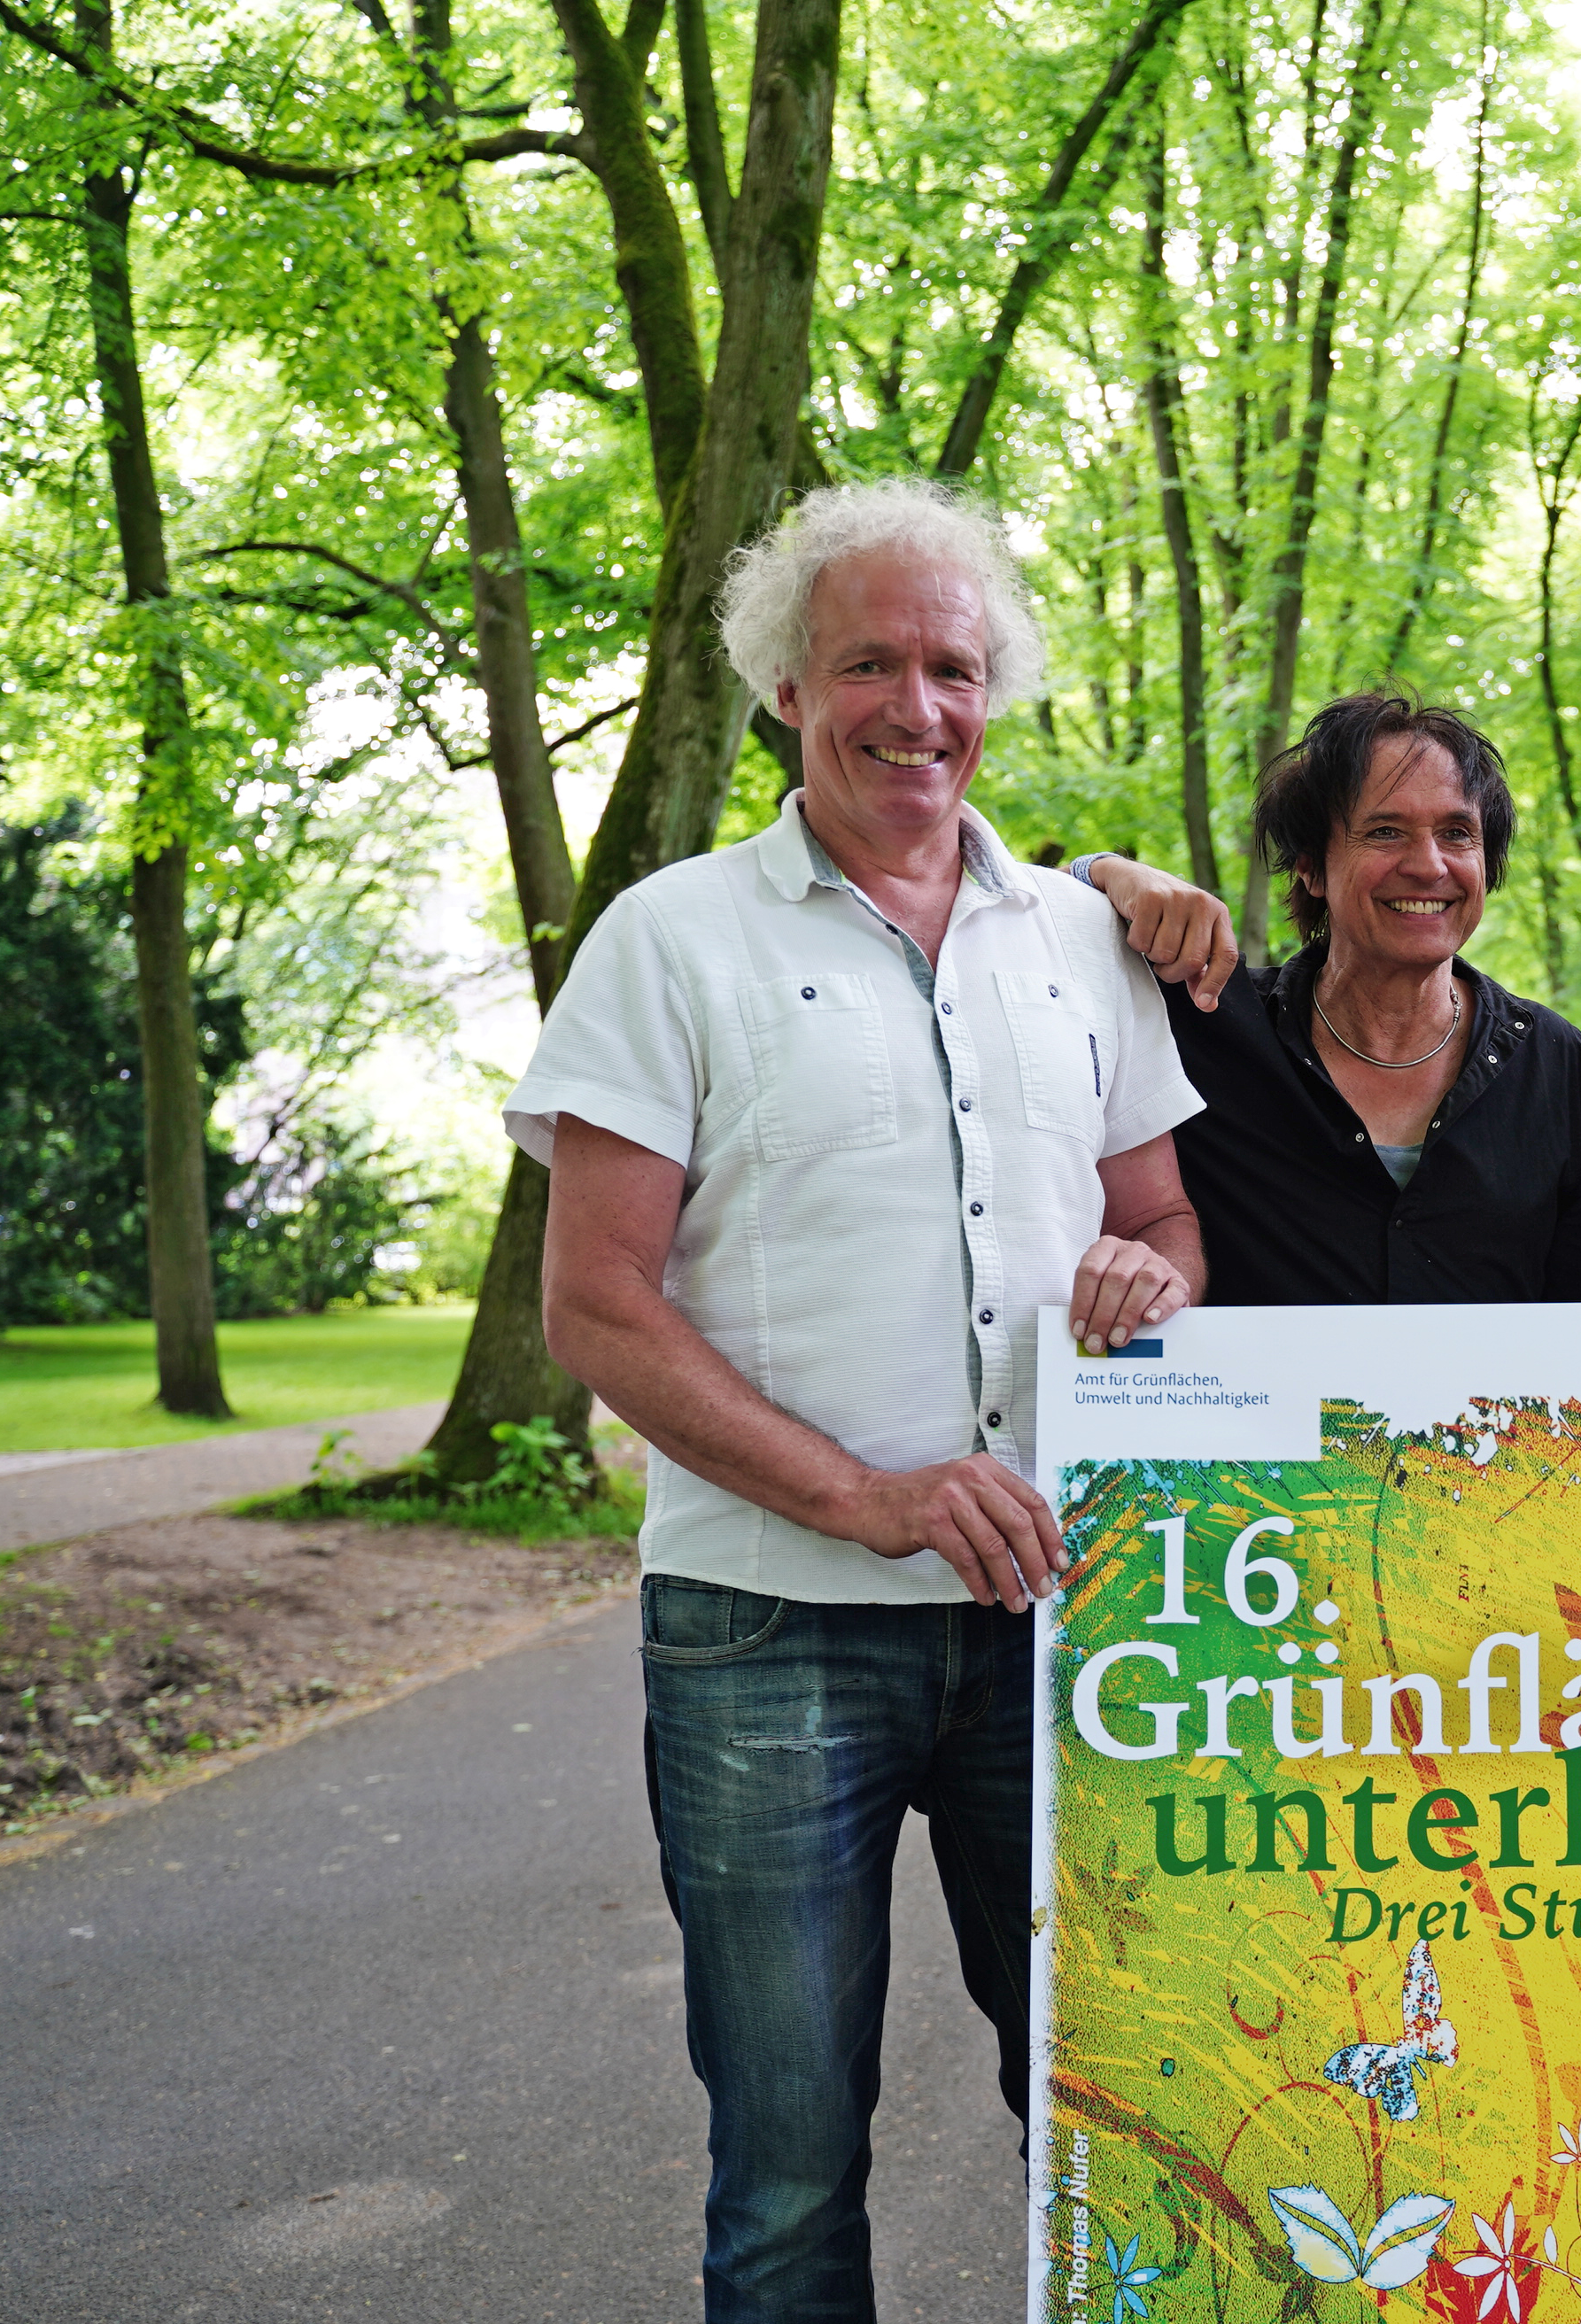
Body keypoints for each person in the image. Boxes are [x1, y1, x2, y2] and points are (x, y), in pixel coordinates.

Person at [508, 478, 1206, 2320]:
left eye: (954, 667)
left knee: (1109, 2115)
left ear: (1000, 690)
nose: (919, 705)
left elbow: (1160, 1223)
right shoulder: (672, 941)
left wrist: (1157, 1279)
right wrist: (874, 1496)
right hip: (768, 1636)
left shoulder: (1081, 941)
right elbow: (593, 1306)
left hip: (1065, 1625)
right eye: (871, 664)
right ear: (789, 689)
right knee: (792, 2173)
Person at [1064, 695, 1581, 1303]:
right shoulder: (1203, 1027)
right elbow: (1024, 935)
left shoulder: (1558, 1067)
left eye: (1457, 833)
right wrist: (1104, 872)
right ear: (1310, 868)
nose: (1428, 864)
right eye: (1386, 831)